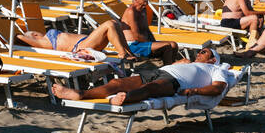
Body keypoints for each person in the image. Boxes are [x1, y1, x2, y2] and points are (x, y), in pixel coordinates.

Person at [52, 46, 237, 107]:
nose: (199, 53)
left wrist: (194, 90)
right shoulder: (190, 62)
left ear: (213, 59)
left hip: (175, 82)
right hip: (161, 72)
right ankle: (81, 94)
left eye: (203, 52)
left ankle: (126, 99)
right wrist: (178, 64)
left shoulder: (216, 69)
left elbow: (218, 88)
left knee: (150, 90)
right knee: (118, 82)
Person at [15, 17, 138, 59]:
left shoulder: (47, 38)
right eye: (35, 33)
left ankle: (127, 51)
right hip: (80, 48)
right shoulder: (43, 43)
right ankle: (122, 53)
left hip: (85, 42)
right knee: (109, 24)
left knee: (113, 23)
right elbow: (18, 36)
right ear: (34, 36)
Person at [120, 0, 179, 65]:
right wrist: (152, 44)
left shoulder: (143, 10)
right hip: (133, 46)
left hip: (142, 43)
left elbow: (146, 29)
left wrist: (153, 42)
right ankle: (168, 70)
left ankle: (171, 65)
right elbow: (136, 36)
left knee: (174, 45)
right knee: (167, 46)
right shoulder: (131, 12)